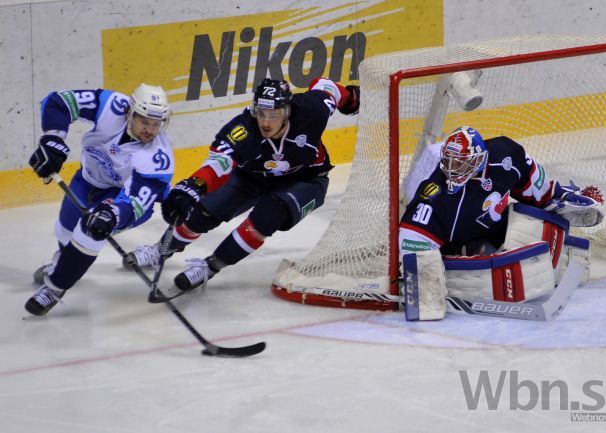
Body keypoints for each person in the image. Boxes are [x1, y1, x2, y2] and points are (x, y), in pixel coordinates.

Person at [124, 77, 360, 292]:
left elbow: (327, 86)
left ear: (287, 111)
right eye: (261, 113)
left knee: (268, 215)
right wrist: (194, 187)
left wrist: (351, 100)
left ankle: (210, 267)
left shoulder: (312, 109)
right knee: (202, 211)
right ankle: (161, 249)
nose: (266, 123)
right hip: (252, 177)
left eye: (274, 114)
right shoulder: (242, 130)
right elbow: (219, 163)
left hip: (307, 179)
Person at [25, 84, 174, 316]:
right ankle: (64, 262)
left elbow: (133, 204)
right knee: (65, 230)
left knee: (90, 230)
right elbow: (57, 101)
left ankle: (55, 288)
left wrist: (112, 214)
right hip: (87, 180)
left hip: (124, 197)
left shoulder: (158, 158)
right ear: (130, 113)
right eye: (145, 121)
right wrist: (52, 140)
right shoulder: (111, 105)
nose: (150, 130)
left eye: (157, 124)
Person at [399, 125, 604, 256]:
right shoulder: (435, 194)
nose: (452, 170)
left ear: (478, 160)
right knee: (486, 253)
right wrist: (419, 268)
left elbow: (537, 188)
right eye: (449, 163)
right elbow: (412, 237)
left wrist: (559, 195)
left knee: (534, 226)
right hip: (457, 246)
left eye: (460, 164)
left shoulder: (506, 156)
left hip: (496, 227)